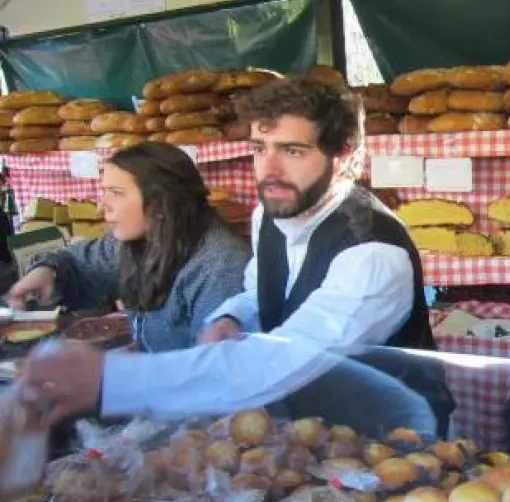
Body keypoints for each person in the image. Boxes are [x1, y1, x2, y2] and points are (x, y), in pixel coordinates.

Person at [18, 78, 446, 435]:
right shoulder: (271, 214)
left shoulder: (372, 254)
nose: (268, 170)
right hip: (318, 427)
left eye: (292, 151)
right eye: (260, 148)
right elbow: (261, 291)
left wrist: (111, 381)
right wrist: (233, 317)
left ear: (343, 156)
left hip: (396, 438)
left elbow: (286, 360)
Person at [5, 142, 250, 352]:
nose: (102, 207)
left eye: (116, 193)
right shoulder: (141, 240)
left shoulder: (220, 266)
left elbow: (212, 368)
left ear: (162, 203)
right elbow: (83, 264)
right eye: (104, 192)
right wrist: (49, 271)